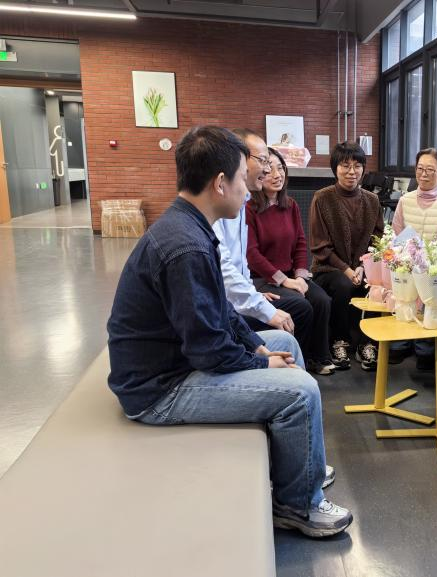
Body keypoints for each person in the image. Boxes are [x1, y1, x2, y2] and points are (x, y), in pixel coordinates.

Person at [106, 125, 352, 537]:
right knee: (301, 391)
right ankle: (297, 506)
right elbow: (208, 348)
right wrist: (259, 362)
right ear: (220, 183)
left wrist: (258, 346)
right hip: (159, 389)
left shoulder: (191, 226)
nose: (249, 187)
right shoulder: (186, 245)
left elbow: (219, 308)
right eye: (243, 177)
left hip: (177, 362)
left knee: (284, 341)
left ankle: (297, 466)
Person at [211, 128, 307, 343]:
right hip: (224, 315)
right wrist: (262, 307)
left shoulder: (243, 201)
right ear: (239, 159)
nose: (268, 170)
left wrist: (252, 295)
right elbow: (226, 268)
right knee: (299, 310)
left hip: (237, 302)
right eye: (263, 161)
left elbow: (240, 264)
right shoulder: (225, 208)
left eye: (278, 167)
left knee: (313, 302)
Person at [245, 147, 335, 376]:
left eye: (281, 168)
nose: (277, 175)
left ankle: (318, 357)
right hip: (262, 279)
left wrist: (301, 276)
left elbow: (300, 244)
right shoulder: (249, 208)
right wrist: (284, 281)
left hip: (290, 276)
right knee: (301, 305)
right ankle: (296, 361)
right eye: (269, 170)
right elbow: (252, 254)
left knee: (322, 300)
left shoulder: (291, 204)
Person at [309, 141, 384, 371]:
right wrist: (347, 270)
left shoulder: (372, 200)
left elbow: (377, 240)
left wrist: (363, 266)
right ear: (335, 168)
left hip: (362, 267)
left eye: (357, 166)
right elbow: (320, 246)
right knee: (342, 284)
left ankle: (367, 343)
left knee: (376, 284)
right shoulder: (322, 198)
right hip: (328, 268)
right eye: (345, 166)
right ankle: (338, 341)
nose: (352, 172)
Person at [390, 147, 437, 368]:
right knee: (405, 292)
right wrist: (408, 259)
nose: (423, 174)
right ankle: (401, 342)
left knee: (431, 294)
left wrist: (431, 265)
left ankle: (426, 348)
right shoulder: (405, 200)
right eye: (420, 169)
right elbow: (397, 235)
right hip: (408, 265)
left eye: (430, 170)